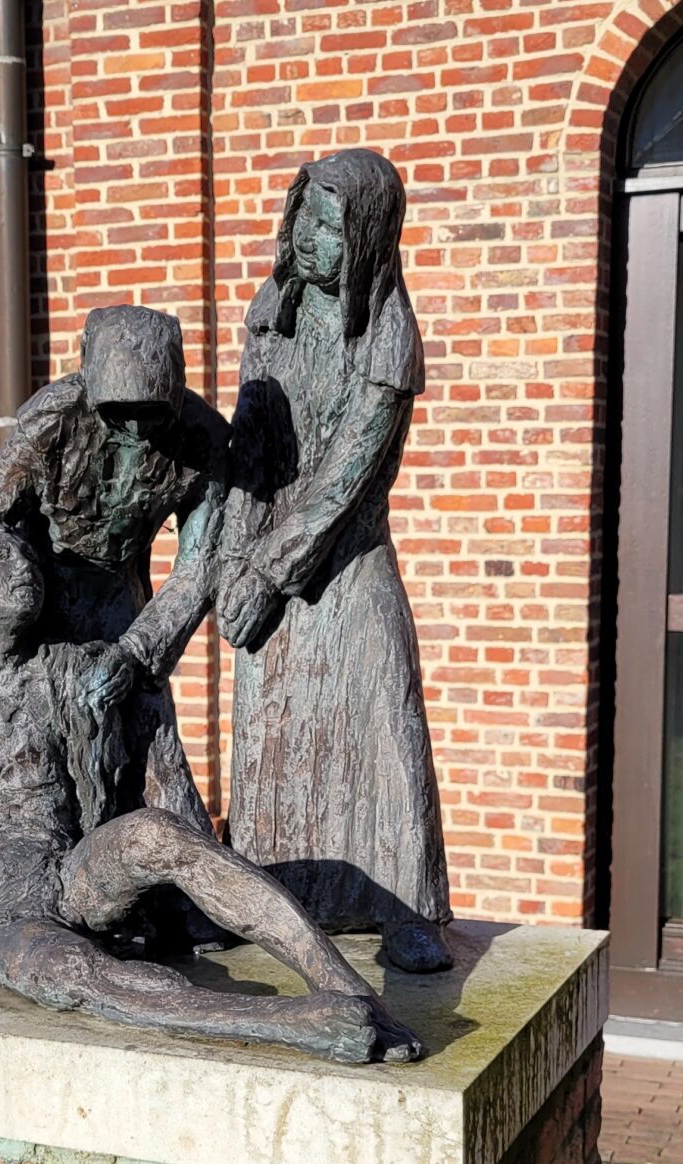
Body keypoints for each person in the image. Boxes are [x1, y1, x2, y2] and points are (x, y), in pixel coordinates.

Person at [0, 522, 423, 1064]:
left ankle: (346, 985)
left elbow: (137, 654)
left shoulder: (62, 672)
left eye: (25, 555)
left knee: (159, 833)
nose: (23, 567)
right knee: (75, 973)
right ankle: (294, 1023)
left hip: (70, 872)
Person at [105, 148, 453, 973]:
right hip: (266, 556)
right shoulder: (273, 316)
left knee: (385, 725)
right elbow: (253, 442)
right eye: (305, 218)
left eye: (331, 228)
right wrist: (236, 556)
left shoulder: (388, 339)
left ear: (369, 241)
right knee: (272, 742)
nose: (309, 238)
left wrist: (268, 572)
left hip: (349, 565)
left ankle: (407, 909)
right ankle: (267, 897)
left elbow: (344, 483)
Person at [0, 304, 225, 831]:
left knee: (151, 741)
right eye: (119, 411)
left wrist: (136, 653)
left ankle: (186, 864)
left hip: (122, 606)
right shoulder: (51, 419)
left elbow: (199, 564)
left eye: (151, 411)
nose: (135, 427)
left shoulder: (203, 438)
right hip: (38, 597)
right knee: (60, 753)